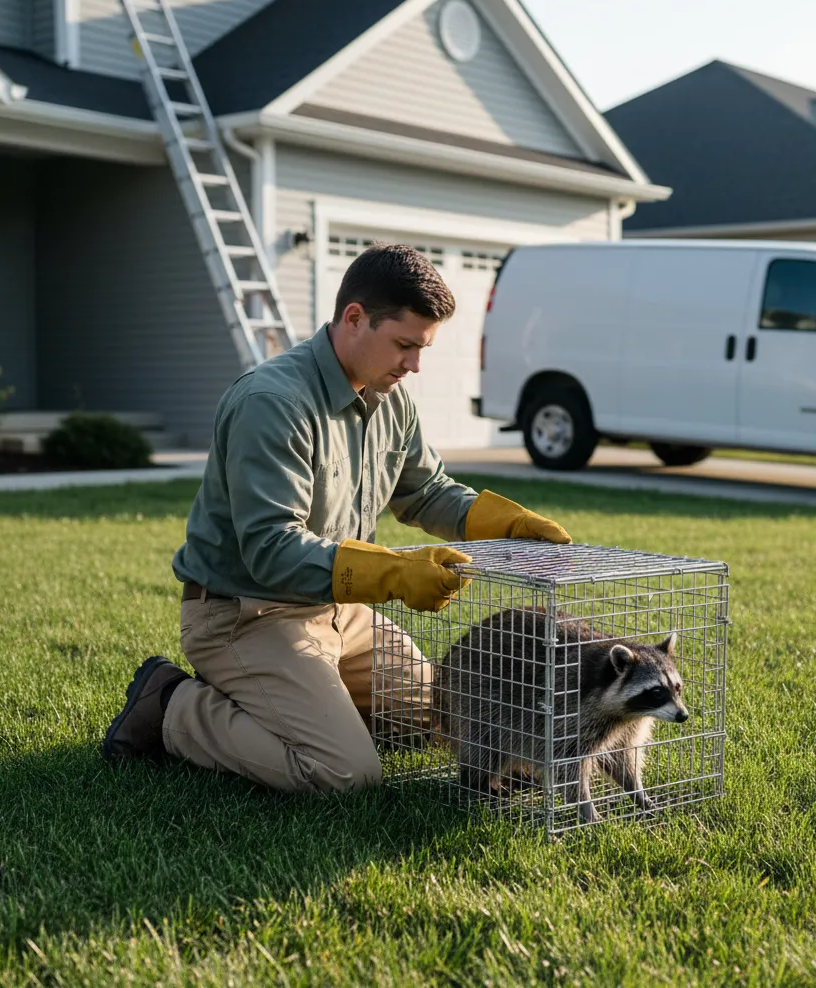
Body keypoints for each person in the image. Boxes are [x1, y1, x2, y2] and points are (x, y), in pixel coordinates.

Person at [101, 244, 571, 793]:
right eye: (404, 345)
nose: (414, 365)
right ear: (354, 319)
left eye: (422, 349)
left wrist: (506, 524)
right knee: (344, 772)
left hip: (342, 613)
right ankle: (173, 707)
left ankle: (303, 695)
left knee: (442, 717)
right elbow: (271, 550)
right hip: (246, 614)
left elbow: (425, 491)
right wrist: (396, 572)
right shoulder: (272, 402)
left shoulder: (391, 399)